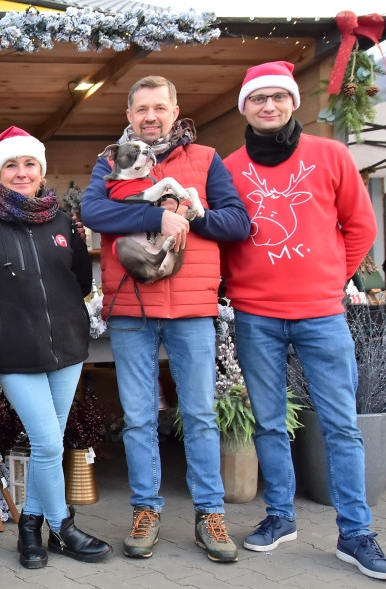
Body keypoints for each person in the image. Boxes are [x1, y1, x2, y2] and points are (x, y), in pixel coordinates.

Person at [223, 61, 386, 580]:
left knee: (341, 425)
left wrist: (329, 281)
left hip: (322, 315)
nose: (269, 106)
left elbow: (360, 225)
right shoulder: (230, 168)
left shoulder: (330, 155)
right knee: (269, 421)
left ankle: (356, 533)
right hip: (256, 315)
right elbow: (226, 232)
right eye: (259, 99)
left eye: (278, 97)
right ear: (246, 107)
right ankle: (280, 516)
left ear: (292, 102)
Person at [80, 76, 250, 563]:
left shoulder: (206, 161)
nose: (150, 116)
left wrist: (191, 215)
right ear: (129, 114)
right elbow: (93, 212)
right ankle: (146, 509)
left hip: (191, 309)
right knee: (137, 418)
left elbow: (237, 222)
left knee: (197, 415)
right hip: (132, 308)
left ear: (176, 110)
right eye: (141, 109)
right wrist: (154, 217)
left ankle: (209, 513)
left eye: (159, 107)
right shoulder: (111, 160)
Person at [0, 126, 112, 569]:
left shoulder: (63, 222)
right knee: (46, 443)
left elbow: (81, 280)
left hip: (67, 352)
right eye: (11, 165)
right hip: (14, 357)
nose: (21, 173)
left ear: (41, 171)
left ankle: (29, 527)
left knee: (50, 443)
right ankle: (62, 527)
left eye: (29, 165)